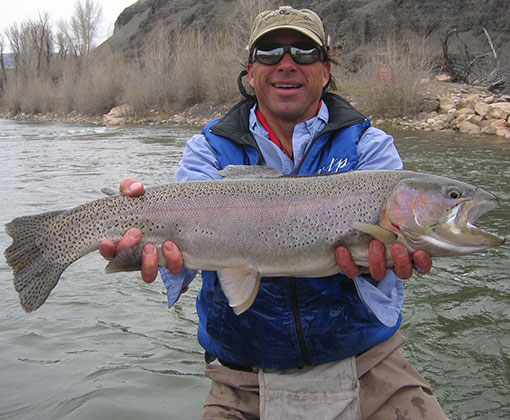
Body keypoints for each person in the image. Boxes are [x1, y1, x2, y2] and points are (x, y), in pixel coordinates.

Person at [100, 6, 447, 419]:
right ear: (250, 70)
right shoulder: (209, 148)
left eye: (304, 52)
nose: (286, 63)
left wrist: (392, 257)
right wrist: (139, 251)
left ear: (325, 70)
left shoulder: (369, 146)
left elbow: (394, 248)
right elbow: (180, 249)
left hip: (370, 367)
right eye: (269, 53)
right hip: (241, 382)